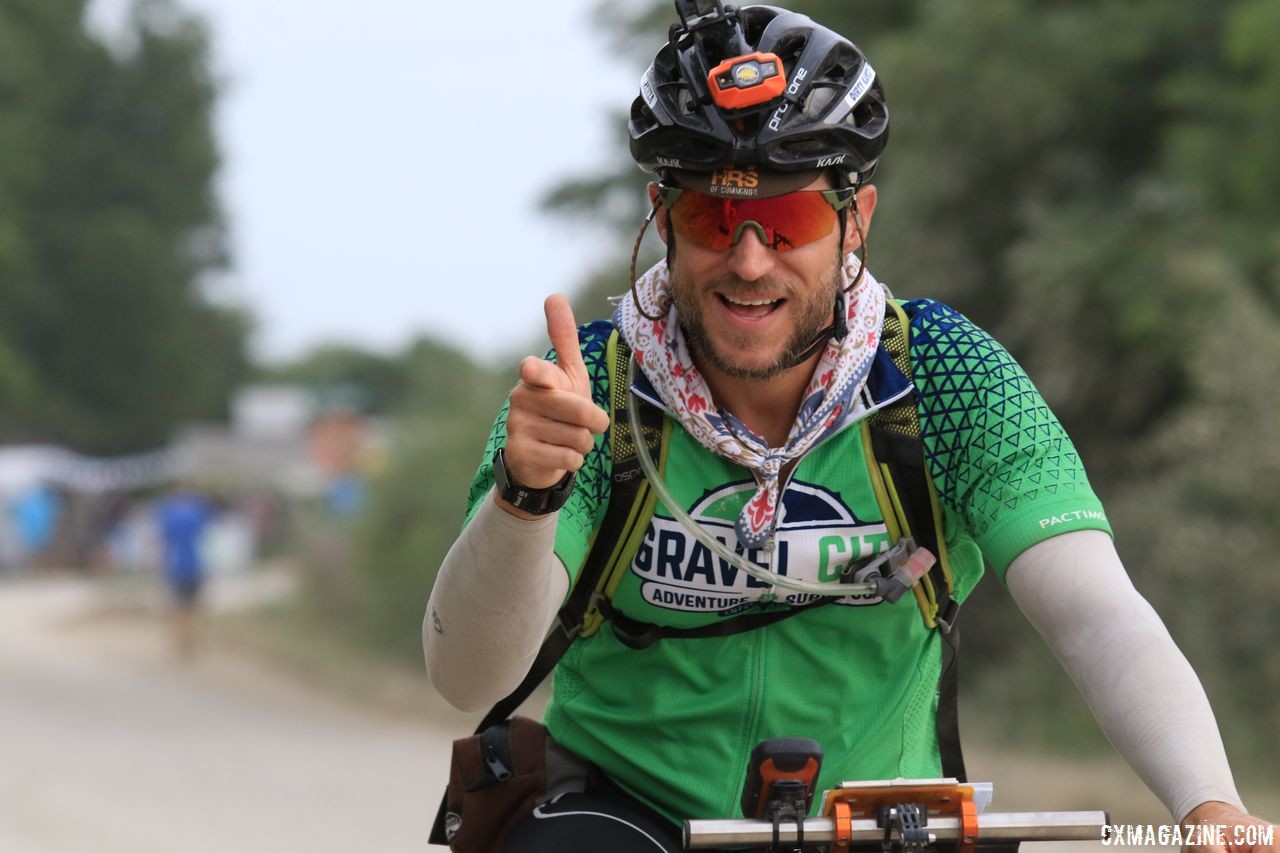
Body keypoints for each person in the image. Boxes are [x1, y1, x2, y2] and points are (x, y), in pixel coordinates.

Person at [425, 3, 1277, 851]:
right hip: (629, 814)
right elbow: (464, 677)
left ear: (854, 219)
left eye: (789, 220)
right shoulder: (586, 389)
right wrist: (525, 497)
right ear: (661, 218)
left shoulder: (947, 374)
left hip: (874, 823)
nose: (749, 259)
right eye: (711, 219)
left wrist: (1208, 806)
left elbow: (1097, 616)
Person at [155, 485, 215, 659]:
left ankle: (182, 639)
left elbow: (164, 542)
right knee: (194, 605)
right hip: (196, 563)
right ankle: (191, 638)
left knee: (179, 606)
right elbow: (206, 537)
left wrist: (161, 568)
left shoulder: (170, 515)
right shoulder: (198, 513)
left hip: (176, 565)